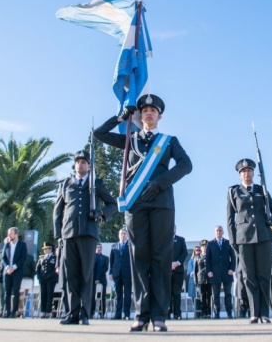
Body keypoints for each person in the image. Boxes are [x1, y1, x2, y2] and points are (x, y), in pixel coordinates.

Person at [94, 94, 192, 332]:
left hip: (162, 204)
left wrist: (160, 183)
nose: (148, 113)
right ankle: (141, 314)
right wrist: (121, 116)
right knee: (139, 259)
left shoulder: (169, 141)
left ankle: (159, 315)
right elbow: (99, 135)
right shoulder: (130, 139)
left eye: (153, 110)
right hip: (136, 203)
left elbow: (185, 165)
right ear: (139, 115)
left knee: (160, 258)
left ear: (159, 116)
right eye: (144, 110)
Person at [53, 150, 117, 326]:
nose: (80, 164)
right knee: (70, 275)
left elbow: (113, 204)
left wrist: (101, 213)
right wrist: (58, 236)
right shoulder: (66, 184)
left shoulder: (95, 184)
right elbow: (57, 212)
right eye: (78, 161)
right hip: (69, 234)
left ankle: (85, 313)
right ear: (75, 165)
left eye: (84, 161)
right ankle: (71, 313)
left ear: (89, 165)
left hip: (88, 235)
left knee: (86, 275)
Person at [227, 158, 272, 324]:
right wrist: (232, 240)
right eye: (243, 171)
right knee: (249, 277)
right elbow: (229, 219)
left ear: (253, 173)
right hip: (243, 239)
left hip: (263, 237)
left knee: (263, 275)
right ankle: (254, 313)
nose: (246, 173)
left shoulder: (261, 190)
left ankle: (264, 313)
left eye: (249, 170)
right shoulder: (233, 192)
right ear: (239, 174)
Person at [206, 225, 236, 319]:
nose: (218, 232)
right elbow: (207, 259)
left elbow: (233, 257)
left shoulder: (228, 243)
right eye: (217, 231)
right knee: (216, 295)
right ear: (215, 232)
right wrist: (209, 271)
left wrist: (232, 269)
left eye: (220, 231)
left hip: (227, 272)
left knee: (228, 294)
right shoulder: (210, 244)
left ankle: (229, 313)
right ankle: (216, 313)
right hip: (215, 273)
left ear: (223, 232)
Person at [2, 227, 28, 318]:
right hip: (7, 272)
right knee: (7, 292)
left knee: (16, 291)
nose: (9, 235)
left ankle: (14, 312)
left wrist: (14, 267)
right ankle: (7, 311)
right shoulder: (7, 245)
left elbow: (23, 258)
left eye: (11, 234)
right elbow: (3, 257)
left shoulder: (22, 245)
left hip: (17, 271)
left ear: (16, 234)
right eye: (8, 234)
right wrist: (7, 267)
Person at [109, 228, 132, 320]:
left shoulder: (130, 246)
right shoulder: (114, 246)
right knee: (118, 295)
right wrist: (111, 272)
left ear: (127, 235)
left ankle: (127, 314)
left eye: (125, 233)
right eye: (121, 234)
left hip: (127, 273)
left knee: (127, 294)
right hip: (117, 273)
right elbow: (112, 261)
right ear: (119, 235)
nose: (123, 235)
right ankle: (117, 314)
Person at [169, 227, 188, 320]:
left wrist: (177, 263)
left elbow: (184, 253)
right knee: (167, 293)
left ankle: (177, 313)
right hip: (166, 271)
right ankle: (167, 313)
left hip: (178, 271)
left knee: (176, 293)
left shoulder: (181, 240)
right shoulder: (163, 239)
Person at [37, 242, 58, 318]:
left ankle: (48, 311)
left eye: (46, 249)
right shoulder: (42, 258)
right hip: (43, 279)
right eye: (44, 249)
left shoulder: (54, 258)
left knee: (49, 295)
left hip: (51, 280)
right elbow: (38, 268)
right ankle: (43, 311)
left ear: (50, 249)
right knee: (43, 295)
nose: (45, 250)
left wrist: (50, 276)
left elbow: (55, 269)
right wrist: (39, 277)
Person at [91, 243, 109, 318]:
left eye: (100, 247)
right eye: (97, 247)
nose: (99, 248)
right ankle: (91, 311)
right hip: (93, 278)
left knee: (102, 296)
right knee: (92, 295)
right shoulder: (92, 257)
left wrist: (99, 274)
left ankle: (102, 312)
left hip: (102, 279)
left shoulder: (105, 258)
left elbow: (106, 268)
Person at [195, 240, 211, 319]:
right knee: (202, 296)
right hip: (201, 280)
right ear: (200, 247)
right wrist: (196, 281)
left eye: (205, 246)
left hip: (209, 279)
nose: (204, 248)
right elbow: (195, 270)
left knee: (209, 296)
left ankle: (209, 312)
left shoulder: (210, 256)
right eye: (203, 246)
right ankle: (203, 312)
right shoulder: (197, 257)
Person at [186, 245, 200, 313]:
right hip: (194, 281)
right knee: (194, 298)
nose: (198, 252)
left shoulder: (203, 258)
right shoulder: (191, 261)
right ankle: (196, 312)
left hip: (201, 281)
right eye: (196, 250)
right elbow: (190, 271)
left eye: (199, 250)